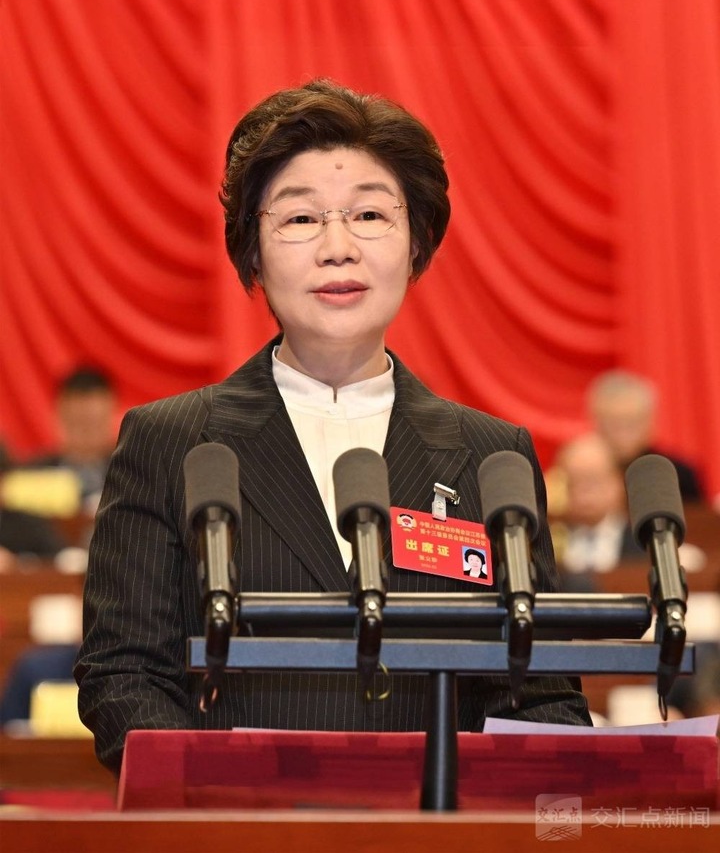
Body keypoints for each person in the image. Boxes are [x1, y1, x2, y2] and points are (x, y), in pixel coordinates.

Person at [75, 78, 591, 774]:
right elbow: (124, 676)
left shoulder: (492, 457)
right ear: (253, 251)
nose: (338, 247)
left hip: (437, 821)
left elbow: (539, 691)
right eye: (300, 218)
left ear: (417, 241)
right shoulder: (171, 442)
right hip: (235, 821)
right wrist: (227, 802)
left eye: (370, 214)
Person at [587, 370, 705, 503]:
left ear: (650, 423)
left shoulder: (674, 473)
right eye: (613, 424)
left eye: (631, 423)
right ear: (597, 424)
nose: (622, 434)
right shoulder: (584, 471)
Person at [547, 432, 642, 590]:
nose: (583, 492)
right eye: (574, 482)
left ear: (618, 482)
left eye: (593, 481)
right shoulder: (545, 544)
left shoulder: (643, 542)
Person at [28, 366, 118, 516]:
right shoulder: (33, 477)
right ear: (59, 415)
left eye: (94, 423)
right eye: (78, 423)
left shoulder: (131, 476)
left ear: (111, 414)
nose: (86, 433)